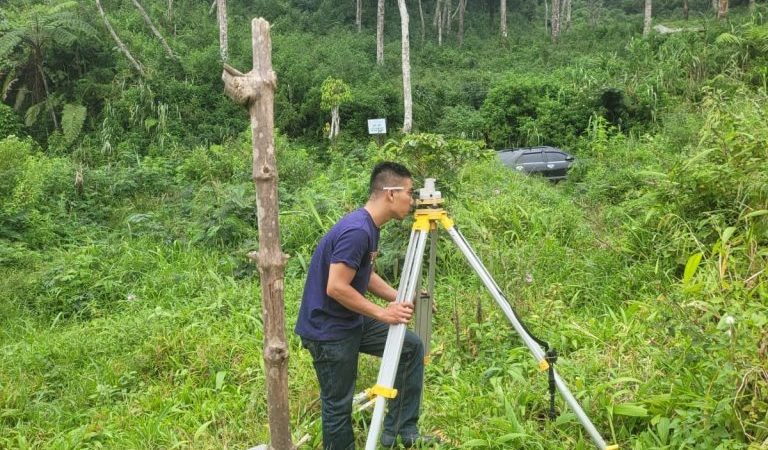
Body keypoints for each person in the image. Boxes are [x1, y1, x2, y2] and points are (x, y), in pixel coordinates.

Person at [295, 162, 438, 449]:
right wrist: (384, 314)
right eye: (409, 193)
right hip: (328, 330)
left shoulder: (371, 227)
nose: (412, 201)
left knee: (410, 349)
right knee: (338, 404)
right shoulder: (357, 230)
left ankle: (400, 431)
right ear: (390, 194)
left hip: (349, 321)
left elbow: (365, 274)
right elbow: (336, 286)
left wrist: (398, 297)